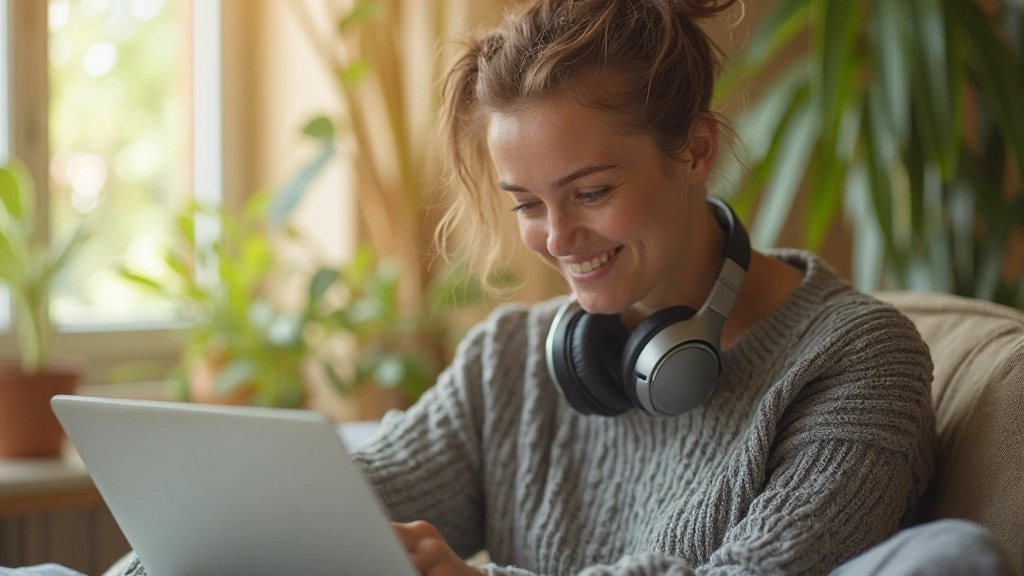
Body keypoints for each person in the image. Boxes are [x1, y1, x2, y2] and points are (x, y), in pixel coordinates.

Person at [108, 0, 1012, 575]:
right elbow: (339, 504)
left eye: (591, 193)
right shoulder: (509, 359)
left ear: (695, 150)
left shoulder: (857, 358)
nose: (557, 239)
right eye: (528, 204)